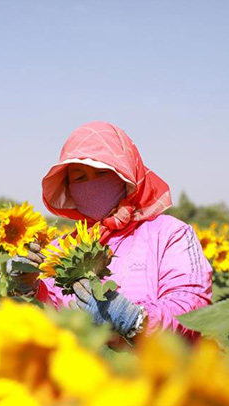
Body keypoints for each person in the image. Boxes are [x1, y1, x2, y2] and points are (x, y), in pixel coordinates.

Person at [16, 121, 212, 340]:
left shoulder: (169, 235)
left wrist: (135, 320)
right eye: (80, 178)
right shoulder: (59, 251)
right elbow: (42, 327)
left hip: (151, 369)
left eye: (101, 173)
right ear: (69, 188)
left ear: (125, 174)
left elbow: (194, 309)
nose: (92, 185)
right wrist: (28, 290)